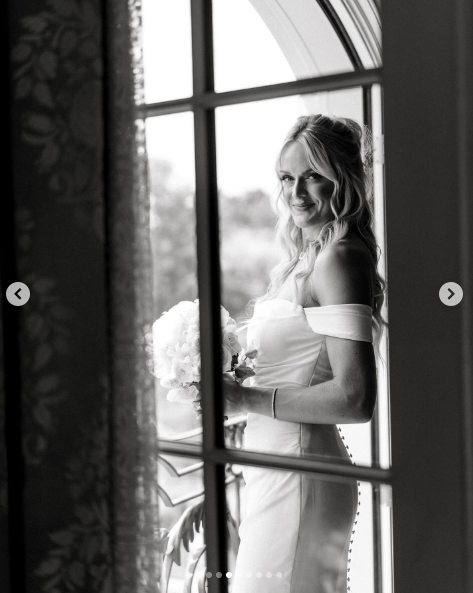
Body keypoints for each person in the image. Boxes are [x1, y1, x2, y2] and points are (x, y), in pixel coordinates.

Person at [223, 114, 386, 593]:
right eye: (287, 178)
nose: (296, 192)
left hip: (299, 473)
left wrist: (244, 399)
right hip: (273, 465)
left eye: (313, 175)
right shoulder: (308, 254)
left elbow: (355, 398)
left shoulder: (338, 257)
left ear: (345, 178)